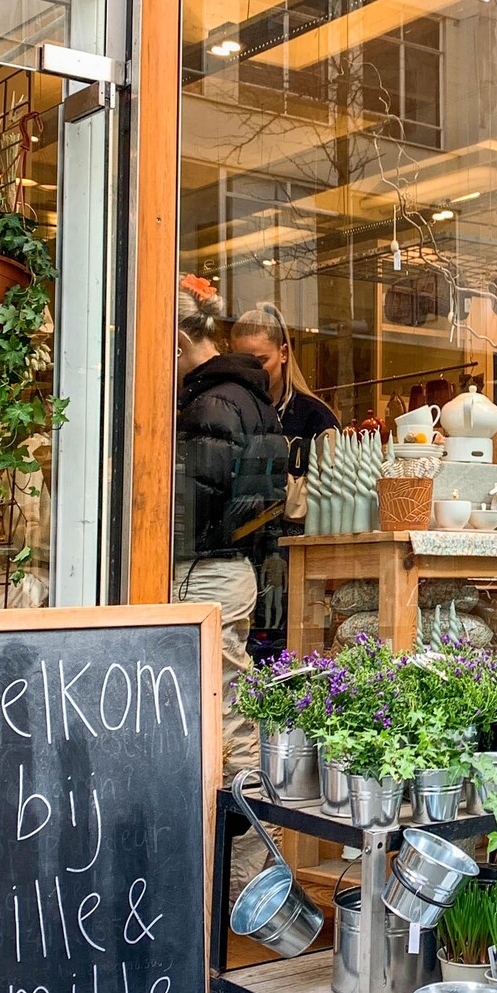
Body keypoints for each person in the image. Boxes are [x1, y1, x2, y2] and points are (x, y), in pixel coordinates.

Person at [173, 278, 289, 779]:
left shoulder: (211, 404)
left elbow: (192, 505)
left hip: (204, 571)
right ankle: (244, 843)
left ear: (178, 339)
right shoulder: (248, 397)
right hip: (234, 570)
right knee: (231, 706)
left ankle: (241, 847)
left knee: (221, 713)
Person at [230, 301, 339, 516]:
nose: (253, 371)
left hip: (296, 542)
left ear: (284, 353)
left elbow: (333, 495)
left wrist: (269, 488)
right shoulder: (229, 410)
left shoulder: (317, 417)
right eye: (243, 362)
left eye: (262, 360)